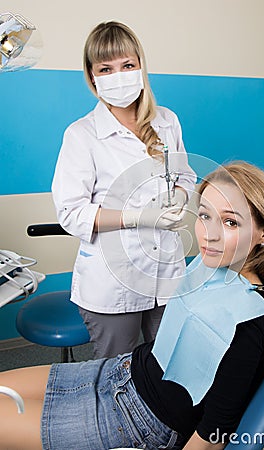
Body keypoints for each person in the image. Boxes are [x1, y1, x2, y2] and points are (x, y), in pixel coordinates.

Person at [0, 162, 264, 450]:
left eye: (230, 222)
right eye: (204, 216)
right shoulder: (211, 266)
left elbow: (212, 437)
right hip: (123, 371)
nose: (209, 235)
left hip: (139, 420)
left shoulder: (248, 321)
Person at [51, 21, 196, 358]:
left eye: (127, 65)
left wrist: (180, 199)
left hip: (167, 274)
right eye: (107, 68)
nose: (119, 75)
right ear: (93, 77)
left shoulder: (166, 121)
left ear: (141, 67)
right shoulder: (81, 134)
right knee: (117, 375)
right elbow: (72, 213)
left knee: (170, 366)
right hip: (112, 282)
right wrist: (142, 217)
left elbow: (186, 176)